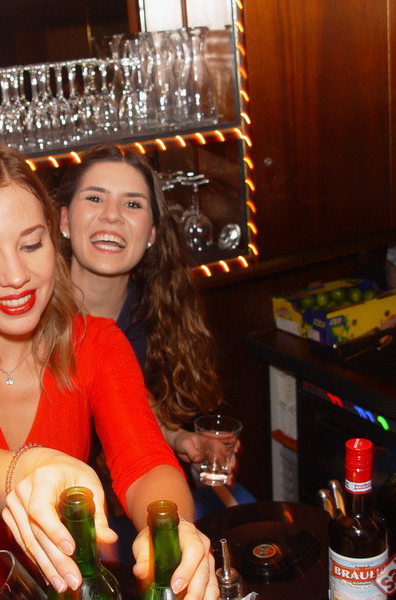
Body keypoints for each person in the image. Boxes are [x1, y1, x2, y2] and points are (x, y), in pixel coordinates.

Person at [0, 142, 218, 600]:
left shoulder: (98, 343)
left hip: (55, 587)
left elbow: (145, 462)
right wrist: (26, 470)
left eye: (31, 244)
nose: (16, 276)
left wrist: (171, 526)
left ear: (54, 239)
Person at [54, 144, 255, 529]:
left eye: (132, 204)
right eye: (95, 198)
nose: (112, 215)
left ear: (151, 234)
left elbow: (126, 407)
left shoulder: (153, 316)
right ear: (64, 220)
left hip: (124, 499)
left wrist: (180, 441)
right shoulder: (28, 315)